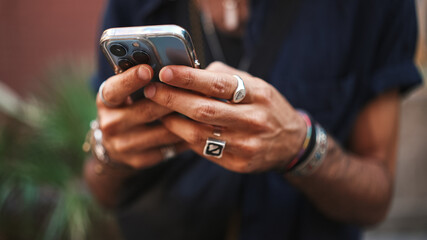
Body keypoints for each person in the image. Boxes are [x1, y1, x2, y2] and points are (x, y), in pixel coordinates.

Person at [84, 0, 422, 239]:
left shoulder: (372, 7)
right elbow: (103, 193)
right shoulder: (133, 5)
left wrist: (300, 147)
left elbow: (375, 199)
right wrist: (111, 154)